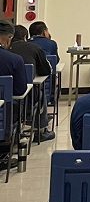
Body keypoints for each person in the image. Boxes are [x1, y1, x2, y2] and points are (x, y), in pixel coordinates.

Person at [10, 24, 54, 141]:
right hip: (28, 96)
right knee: (40, 91)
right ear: (25, 37)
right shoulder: (34, 48)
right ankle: (41, 131)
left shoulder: (6, 51)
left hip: (6, 98)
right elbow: (46, 70)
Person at [0, 21, 26, 170]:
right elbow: (20, 90)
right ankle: (4, 153)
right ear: (8, 38)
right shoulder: (14, 59)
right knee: (14, 107)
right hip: (4, 116)